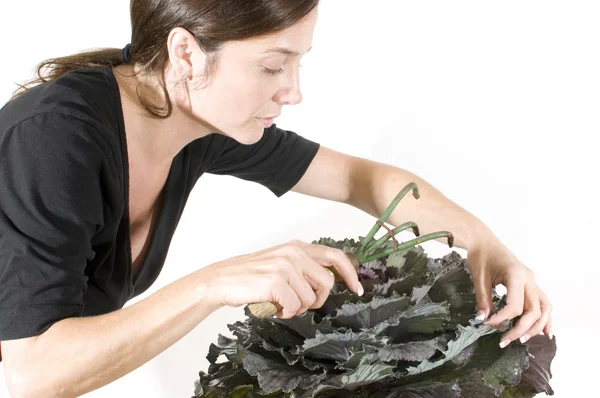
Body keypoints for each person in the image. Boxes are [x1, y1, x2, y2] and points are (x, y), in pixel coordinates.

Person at [0, 1, 552, 396]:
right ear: (185, 52)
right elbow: (33, 371)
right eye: (271, 65)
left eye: (297, 63)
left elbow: (365, 181)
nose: (293, 91)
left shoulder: (189, 119)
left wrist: (486, 243)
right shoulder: (56, 137)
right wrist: (214, 283)